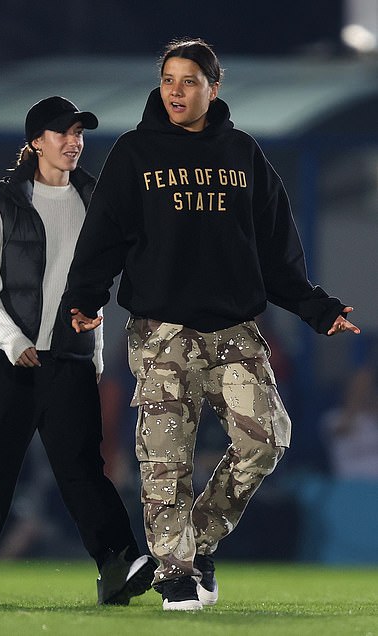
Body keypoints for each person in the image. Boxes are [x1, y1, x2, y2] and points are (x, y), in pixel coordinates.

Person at [63, 38, 361, 611]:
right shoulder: (134, 153)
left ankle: (193, 543)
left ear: (213, 88)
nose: (176, 90)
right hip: (161, 332)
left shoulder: (244, 155)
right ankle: (176, 573)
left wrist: (316, 307)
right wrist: (86, 296)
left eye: (189, 80)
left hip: (234, 332)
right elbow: (104, 236)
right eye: (169, 79)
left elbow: (277, 254)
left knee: (269, 438)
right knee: (164, 458)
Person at [0, 96, 156, 606]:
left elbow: (94, 289)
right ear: (36, 141)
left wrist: (96, 355)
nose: (73, 141)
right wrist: (12, 341)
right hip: (9, 359)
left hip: (71, 360)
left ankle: (118, 564)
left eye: (79, 133)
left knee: (83, 468)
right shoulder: (3, 201)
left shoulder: (96, 201)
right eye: (62, 132)